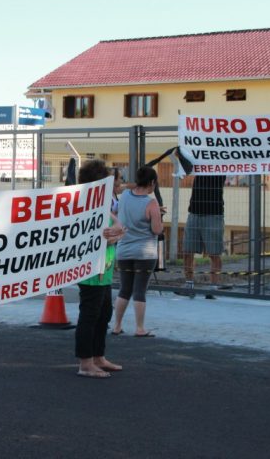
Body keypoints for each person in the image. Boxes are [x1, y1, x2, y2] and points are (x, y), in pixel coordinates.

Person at [75, 160, 124, 378]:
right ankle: (85, 363)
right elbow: (108, 231)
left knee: (104, 313)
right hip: (92, 271)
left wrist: (116, 232)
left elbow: (118, 228)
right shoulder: (85, 206)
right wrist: (114, 233)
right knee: (90, 315)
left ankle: (98, 357)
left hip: (105, 269)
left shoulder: (100, 205)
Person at [112, 165, 163, 337]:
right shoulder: (152, 203)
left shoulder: (125, 195)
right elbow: (156, 230)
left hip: (124, 250)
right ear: (152, 182)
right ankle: (140, 327)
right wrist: (159, 217)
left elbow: (121, 195)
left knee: (124, 289)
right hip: (144, 253)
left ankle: (116, 325)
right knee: (139, 290)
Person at [182, 175, 228, 293]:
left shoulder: (220, 163)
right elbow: (186, 164)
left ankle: (213, 286)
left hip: (214, 214)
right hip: (194, 213)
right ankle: (189, 284)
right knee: (187, 252)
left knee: (214, 254)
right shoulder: (198, 159)